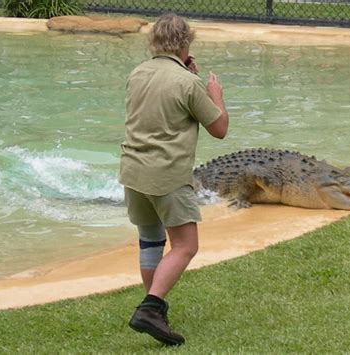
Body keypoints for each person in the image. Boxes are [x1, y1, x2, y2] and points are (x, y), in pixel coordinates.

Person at [119, 13, 229, 346]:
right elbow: (219, 129)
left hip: (132, 171)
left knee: (151, 241)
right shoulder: (189, 83)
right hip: (167, 175)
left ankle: (154, 310)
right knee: (186, 246)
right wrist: (214, 92)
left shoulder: (137, 73)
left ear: (154, 42)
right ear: (185, 44)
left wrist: (188, 77)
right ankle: (150, 308)